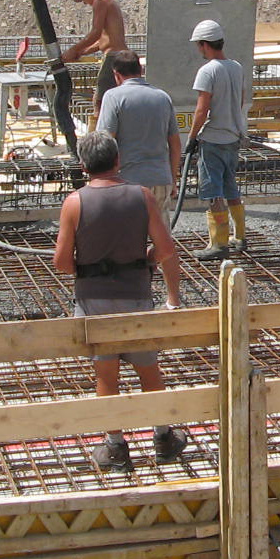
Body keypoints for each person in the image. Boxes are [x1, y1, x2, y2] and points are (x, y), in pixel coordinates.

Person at [52, 131, 188, 473]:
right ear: (118, 160)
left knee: (106, 375)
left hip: (93, 299)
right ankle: (164, 438)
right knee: (148, 370)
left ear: (83, 166)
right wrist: (145, 260)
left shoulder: (74, 203)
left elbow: (62, 262)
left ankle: (115, 448)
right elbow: (166, 248)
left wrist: (89, 269)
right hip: (135, 295)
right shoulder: (142, 196)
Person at [188, 19, 250, 260]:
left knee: (213, 191)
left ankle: (219, 243)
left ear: (205, 44)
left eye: (199, 45)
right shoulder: (236, 67)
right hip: (233, 137)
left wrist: (192, 137)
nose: (199, 49)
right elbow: (240, 100)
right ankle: (240, 236)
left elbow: (201, 109)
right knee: (230, 186)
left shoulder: (207, 71)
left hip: (213, 139)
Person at [97, 50, 181, 213]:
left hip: (128, 181)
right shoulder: (162, 97)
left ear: (116, 75)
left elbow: (105, 141)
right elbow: (175, 144)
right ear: (141, 70)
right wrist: (172, 178)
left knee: (130, 228)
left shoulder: (113, 97)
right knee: (159, 228)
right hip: (160, 179)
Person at [58, 0, 127, 113]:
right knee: (116, 100)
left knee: (100, 102)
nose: (85, 3)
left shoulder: (100, 1)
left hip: (113, 58)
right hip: (120, 56)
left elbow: (95, 33)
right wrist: (81, 52)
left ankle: (99, 127)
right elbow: (104, 40)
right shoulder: (107, 0)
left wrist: (72, 50)